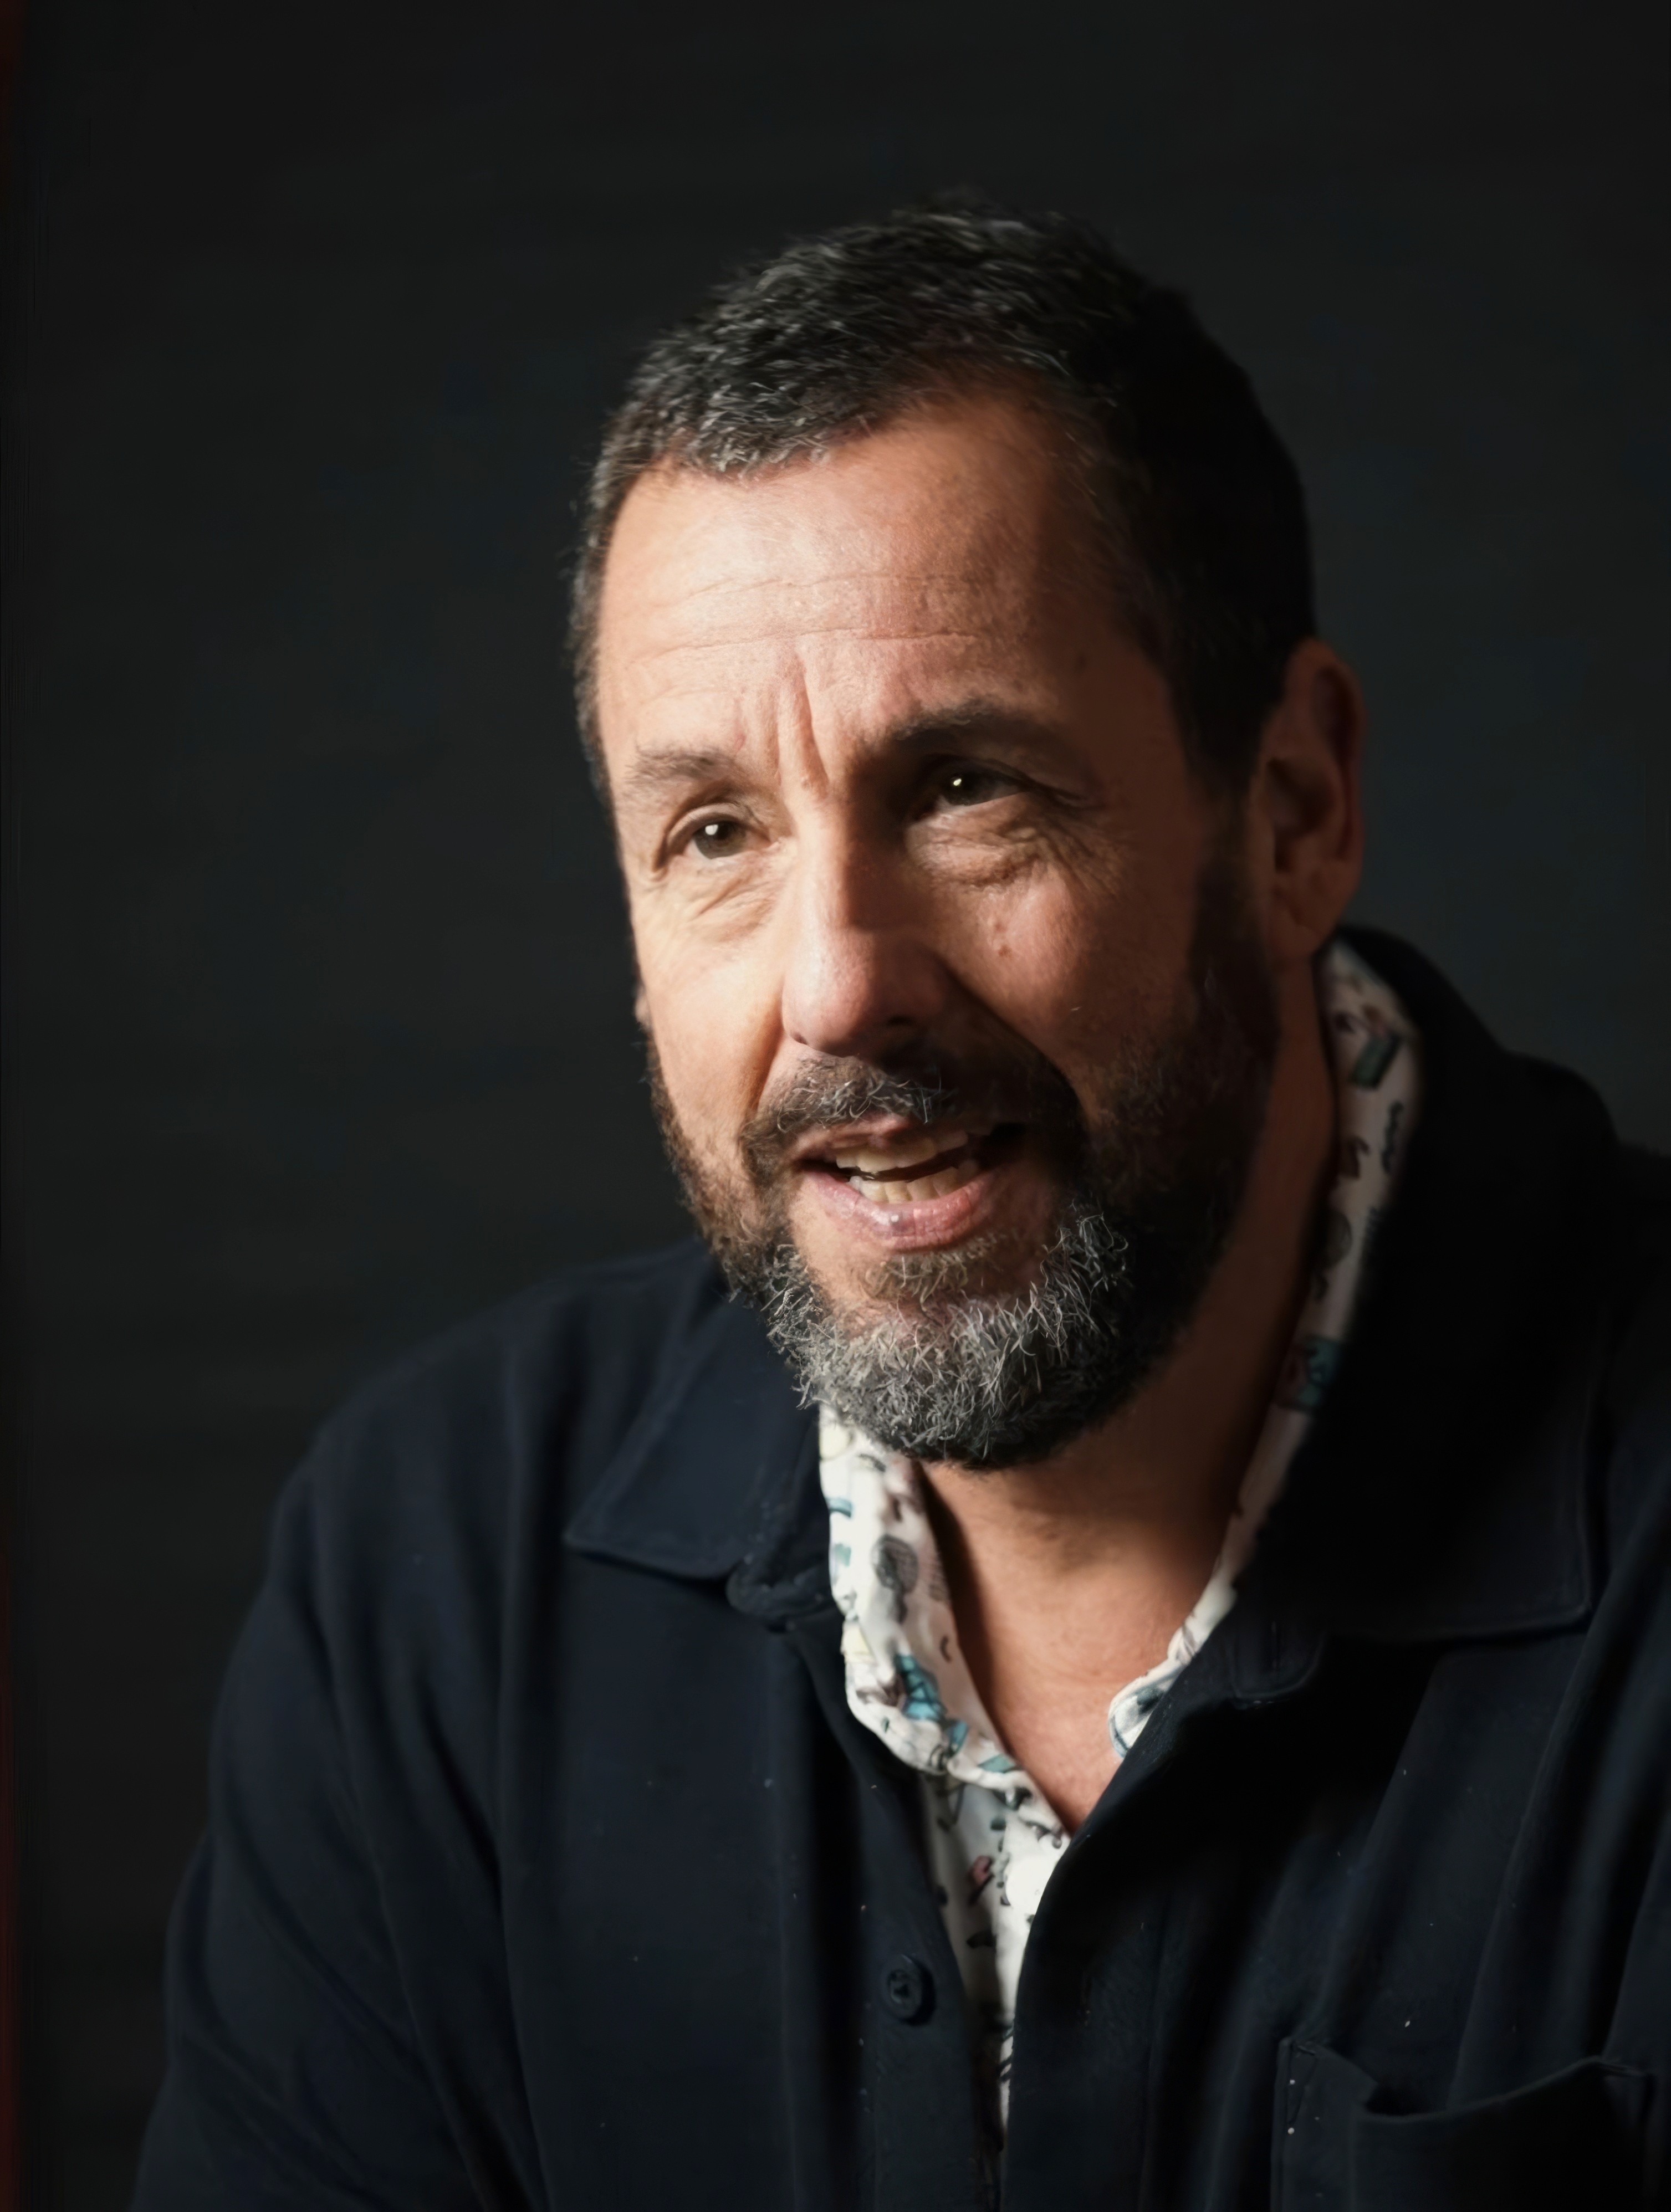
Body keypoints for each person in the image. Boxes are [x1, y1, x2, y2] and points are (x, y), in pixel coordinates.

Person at [131, 204, 1669, 2212]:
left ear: (1291, 810)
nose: (840, 982)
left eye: (965, 788)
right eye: (714, 834)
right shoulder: (434, 1580)